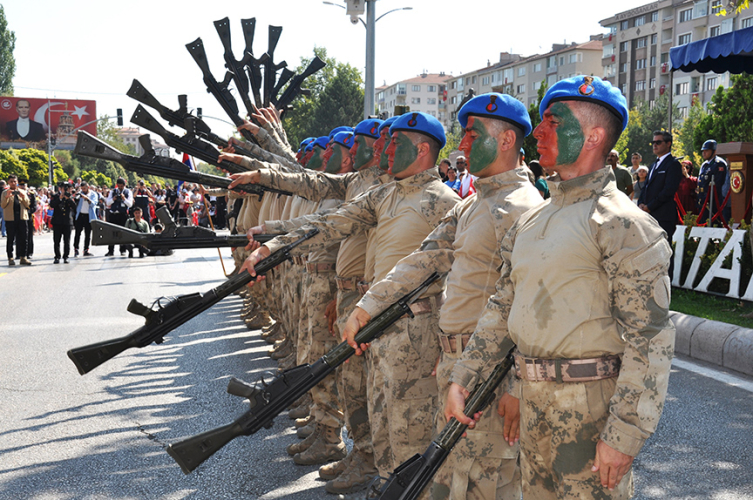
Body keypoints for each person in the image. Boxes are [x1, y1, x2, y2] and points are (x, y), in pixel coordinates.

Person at [447, 75, 675, 500]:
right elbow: (502, 307)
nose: (539, 132)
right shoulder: (534, 220)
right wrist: (466, 375)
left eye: (553, 121)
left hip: (590, 415)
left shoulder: (623, 224)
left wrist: (623, 435)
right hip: (534, 406)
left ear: (593, 136)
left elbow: (651, 338)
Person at [236, 112, 459, 489]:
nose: (386, 150)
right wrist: (273, 245)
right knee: (377, 410)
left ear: (422, 149)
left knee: (409, 422)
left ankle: (397, 484)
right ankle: (381, 477)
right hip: (370, 317)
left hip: (414, 327)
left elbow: (458, 276)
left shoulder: (444, 202)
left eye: (396, 143)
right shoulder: (383, 194)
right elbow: (330, 224)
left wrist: (448, 344)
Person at [346, 92, 543, 500]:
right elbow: (424, 260)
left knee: (486, 485)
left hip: (492, 375)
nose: (462, 145)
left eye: (472, 135)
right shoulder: (474, 204)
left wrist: (518, 387)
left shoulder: (523, 208)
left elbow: (531, 306)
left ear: (507, 141)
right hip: (459, 366)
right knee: (451, 481)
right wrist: (368, 306)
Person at [638, 130, 682, 278]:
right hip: (648, 215)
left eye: (658, 142)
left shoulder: (674, 164)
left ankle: (666, 283)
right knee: (649, 250)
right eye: (653, 142)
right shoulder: (653, 164)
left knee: (664, 250)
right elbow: (646, 188)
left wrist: (649, 206)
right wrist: (640, 205)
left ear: (668, 144)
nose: (654, 145)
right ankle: (651, 280)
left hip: (663, 215)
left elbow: (668, 190)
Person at [1, 174, 31, 265]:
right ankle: (10, 257)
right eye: (11, 182)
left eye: (15, 181)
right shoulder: (5, 192)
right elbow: (3, 205)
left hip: (22, 218)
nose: (13, 183)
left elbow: (28, 205)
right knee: (10, 238)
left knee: (24, 238)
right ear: (8, 183)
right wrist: (7, 197)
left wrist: (23, 197)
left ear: (17, 182)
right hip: (10, 218)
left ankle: (23, 257)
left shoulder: (23, 191)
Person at [697, 140, 729, 224]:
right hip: (703, 201)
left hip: (713, 202)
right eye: (703, 151)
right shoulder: (704, 165)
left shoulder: (719, 164)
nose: (704, 153)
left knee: (714, 225)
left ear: (714, 151)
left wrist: (708, 197)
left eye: (707, 151)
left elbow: (718, 185)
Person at [50, 182, 77, 264]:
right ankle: (57, 256)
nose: (66, 190)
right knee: (56, 240)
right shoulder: (55, 196)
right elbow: (52, 205)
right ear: (60, 189)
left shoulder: (70, 196)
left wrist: (68, 199)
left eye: (68, 189)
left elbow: (75, 207)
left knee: (67, 240)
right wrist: (60, 198)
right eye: (64, 189)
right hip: (57, 222)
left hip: (67, 222)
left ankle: (66, 256)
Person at [105, 177, 133, 256]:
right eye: (119, 186)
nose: (120, 188)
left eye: (122, 186)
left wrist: (124, 199)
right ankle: (110, 250)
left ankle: (123, 250)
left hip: (123, 215)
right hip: (113, 214)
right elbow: (108, 203)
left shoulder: (128, 192)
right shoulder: (112, 192)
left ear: (124, 185)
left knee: (123, 232)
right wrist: (113, 199)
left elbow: (130, 204)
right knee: (111, 233)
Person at [74, 181, 98, 257]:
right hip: (80, 215)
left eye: (84, 188)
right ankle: (76, 249)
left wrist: (87, 198)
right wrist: (77, 196)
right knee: (77, 233)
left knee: (87, 234)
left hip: (89, 216)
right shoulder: (80, 194)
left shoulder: (93, 194)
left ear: (88, 187)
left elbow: (94, 204)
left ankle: (86, 249)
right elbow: (75, 201)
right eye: (82, 189)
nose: (83, 190)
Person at [18, 179, 36, 259]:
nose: (22, 186)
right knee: (18, 236)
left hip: (28, 217)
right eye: (21, 185)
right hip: (18, 217)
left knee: (29, 236)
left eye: (24, 185)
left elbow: (34, 206)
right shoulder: (16, 194)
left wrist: (28, 212)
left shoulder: (31, 194)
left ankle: (29, 252)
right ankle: (19, 253)